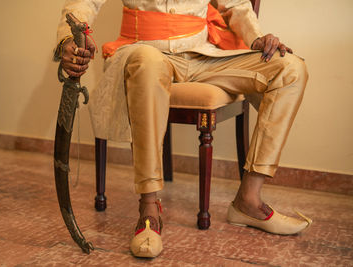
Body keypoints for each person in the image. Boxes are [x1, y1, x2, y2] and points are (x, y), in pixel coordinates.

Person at [55, 0, 311, 258]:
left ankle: (249, 198)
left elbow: (235, 4)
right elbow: (83, 3)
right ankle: (149, 210)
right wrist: (68, 39)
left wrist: (256, 37)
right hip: (144, 50)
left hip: (203, 55)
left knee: (291, 68)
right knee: (146, 61)